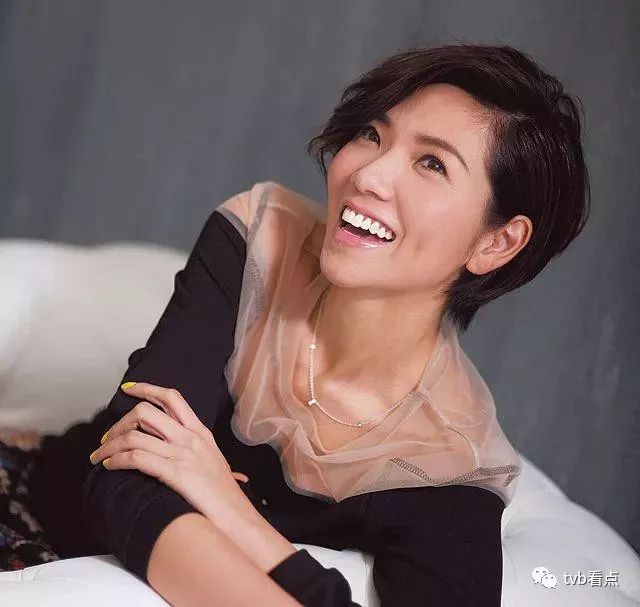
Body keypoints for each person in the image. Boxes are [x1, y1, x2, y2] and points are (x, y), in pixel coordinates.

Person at [0, 43, 590, 606]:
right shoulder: (259, 238)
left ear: (496, 243)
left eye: (431, 163)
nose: (368, 175)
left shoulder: (449, 464)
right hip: (30, 497)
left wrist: (233, 509)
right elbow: (124, 472)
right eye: (372, 134)